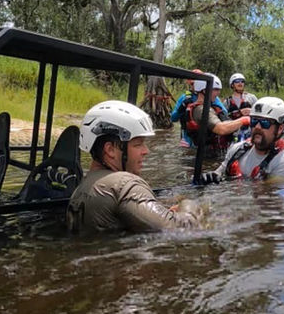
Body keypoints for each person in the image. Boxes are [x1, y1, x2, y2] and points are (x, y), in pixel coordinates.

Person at [66, 100, 201, 235]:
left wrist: (162, 213)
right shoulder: (124, 184)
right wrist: (189, 205)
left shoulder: (82, 186)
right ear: (110, 149)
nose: (146, 151)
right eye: (138, 144)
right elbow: (182, 227)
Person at [199, 96, 284, 184]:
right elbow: (219, 172)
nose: (257, 127)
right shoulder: (237, 149)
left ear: (280, 128)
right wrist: (209, 178)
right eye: (254, 121)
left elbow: (271, 201)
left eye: (265, 122)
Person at [181, 73, 249, 156]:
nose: (218, 93)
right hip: (208, 157)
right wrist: (244, 120)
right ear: (205, 90)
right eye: (216, 89)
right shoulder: (201, 110)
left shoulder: (211, 107)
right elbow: (221, 129)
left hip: (214, 153)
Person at [170, 69, 228, 147]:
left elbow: (224, 111)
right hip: (188, 136)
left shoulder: (212, 98)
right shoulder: (184, 98)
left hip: (206, 134)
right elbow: (173, 118)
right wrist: (182, 107)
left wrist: (215, 108)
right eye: (192, 84)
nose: (194, 86)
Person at [223, 72, 258, 141]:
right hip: (233, 133)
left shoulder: (252, 98)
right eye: (237, 81)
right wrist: (238, 113)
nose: (240, 83)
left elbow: (261, 113)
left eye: (242, 81)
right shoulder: (227, 102)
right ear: (232, 85)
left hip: (250, 132)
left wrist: (251, 111)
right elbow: (224, 118)